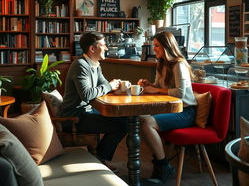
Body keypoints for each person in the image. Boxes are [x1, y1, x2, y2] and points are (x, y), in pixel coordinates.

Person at [58, 32, 127, 171]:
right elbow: (87, 94)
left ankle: (99, 158)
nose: (106, 48)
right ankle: (101, 159)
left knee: (123, 119)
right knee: (122, 124)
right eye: (103, 45)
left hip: (85, 111)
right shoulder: (81, 65)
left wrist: (118, 85)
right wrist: (109, 86)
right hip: (74, 116)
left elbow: (105, 86)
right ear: (92, 49)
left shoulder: (95, 64)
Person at [138, 31, 197, 183]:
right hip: (171, 110)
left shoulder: (179, 64)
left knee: (146, 122)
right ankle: (161, 165)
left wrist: (156, 89)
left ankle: (164, 167)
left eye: (157, 45)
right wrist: (149, 84)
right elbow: (158, 86)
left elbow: (180, 93)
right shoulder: (161, 63)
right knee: (141, 119)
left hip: (186, 112)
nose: (154, 49)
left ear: (166, 46)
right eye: (154, 45)